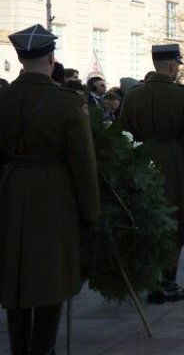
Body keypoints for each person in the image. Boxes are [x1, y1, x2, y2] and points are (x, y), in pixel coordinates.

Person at [0, 25, 99, 355]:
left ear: (19, 59)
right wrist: (90, 212)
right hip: (54, 196)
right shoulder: (69, 103)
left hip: (10, 190)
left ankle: (19, 348)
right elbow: (83, 163)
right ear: (52, 58)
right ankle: (43, 349)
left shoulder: (5, 99)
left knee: (14, 276)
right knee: (50, 277)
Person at [120, 44, 184, 304]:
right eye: (177, 65)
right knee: (174, 222)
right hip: (173, 163)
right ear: (171, 66)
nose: (178, 69)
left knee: (148, 220)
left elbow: (122, 132)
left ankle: (150, 278)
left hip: (141, 160)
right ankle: (167, 282)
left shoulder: (134, 95)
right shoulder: (183, 95)